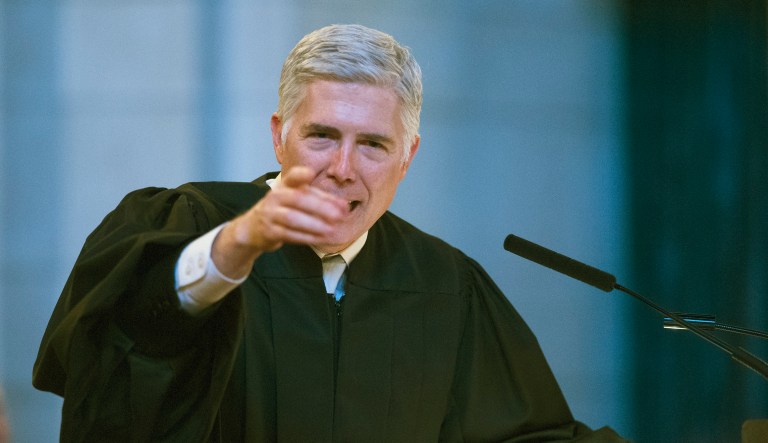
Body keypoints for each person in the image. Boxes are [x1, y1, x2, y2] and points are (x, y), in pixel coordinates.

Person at [33, 24, 625, 441]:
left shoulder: (446, 284)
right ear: (278, 135)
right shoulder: (188, 222)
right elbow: (121, 353)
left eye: (372, 144)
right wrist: (235, 248)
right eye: (322, 136)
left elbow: (526, 437)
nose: (343, 167)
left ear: (408, 155)